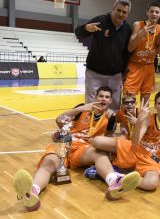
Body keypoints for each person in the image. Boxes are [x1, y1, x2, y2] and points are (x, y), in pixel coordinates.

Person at [13, 86, 141, 211]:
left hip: (83, 149)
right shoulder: (81, 109)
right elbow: (59, 120)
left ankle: (113, 183)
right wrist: (80, 108)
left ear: (110, 101)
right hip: (65, 144)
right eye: (101, 96)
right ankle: (33, 192)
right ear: (95, 97)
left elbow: (107, 136)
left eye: (107, 97)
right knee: (49, 163)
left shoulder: (110, 117)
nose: (103, 99)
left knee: (98, 153)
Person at [91, 91, 160, 191]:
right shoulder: (148, 119)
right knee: (97, 141)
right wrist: (139, 121)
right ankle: (108, 166)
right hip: (137, 149)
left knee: (150, 184)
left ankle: (119, 178)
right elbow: (134, 143)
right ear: (155, 106)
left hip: (153, 158)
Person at [75, 0, 132, 110]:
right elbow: (78, 32)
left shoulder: (127, 29)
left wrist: (124, 72)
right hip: (95, 73)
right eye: (118, 10)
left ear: (127, 14)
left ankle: (110, 127)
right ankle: (91, 126)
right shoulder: (100, 20)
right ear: (113, 9)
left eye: (124, 12)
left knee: (115, 106)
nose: (120, 14)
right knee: (91, 104)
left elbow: (127, 53)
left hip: (115, 75)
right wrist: (86, 28)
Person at [124, 2, 160, 105]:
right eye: (151, 11)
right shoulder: (138, 25)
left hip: (149, 66)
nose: (154, 14)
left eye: (157, 12)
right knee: (129, 98)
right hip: (135, 65)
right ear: (147, 12)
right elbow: (130, 47)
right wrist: (142, 33)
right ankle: (127, 120)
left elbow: (158, 52)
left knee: (146, 97)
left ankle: (142, 120)